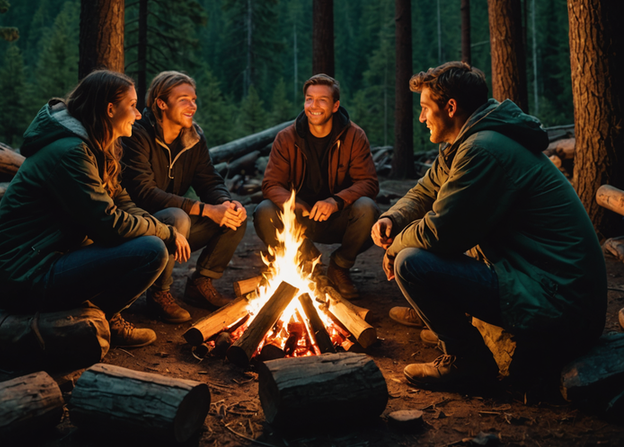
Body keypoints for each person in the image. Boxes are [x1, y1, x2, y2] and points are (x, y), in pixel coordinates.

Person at [372, 61, 607, 391]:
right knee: (417, 253)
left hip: (560, 301)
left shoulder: (483, 149)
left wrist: (396, 245)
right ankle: (453, 324)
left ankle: (467, 362)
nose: (422, 117)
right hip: (539, 282)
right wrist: (392, 218)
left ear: (450, 107)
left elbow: (441, 233)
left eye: (425, 108)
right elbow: (426, 189)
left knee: (411, 263)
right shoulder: (468, 141)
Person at [0, 70, 177, 348]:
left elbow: (121, 200)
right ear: (110, 109)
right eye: (133, 106)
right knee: (151, 250)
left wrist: (161, 225)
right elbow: (110, 225)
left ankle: (95, 314)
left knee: (158, 229)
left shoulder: (94, 145)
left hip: (50, 258)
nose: (138, 115)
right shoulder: (71, 152)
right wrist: (165, 232)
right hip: (25, 276)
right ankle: (103, 319)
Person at [121, 71, 247, 323]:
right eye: (184, 100)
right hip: (136, 228)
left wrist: (224, 202)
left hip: (172, 225)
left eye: (194, 99)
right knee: (177, 217)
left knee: (234, 216)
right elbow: (144, 194)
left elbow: (208, 179)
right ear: (161, 103)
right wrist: (205, 209)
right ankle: (159, 295)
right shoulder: (137, 135)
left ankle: (200, 283)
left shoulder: (193, 138)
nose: (193, 106)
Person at [254, 74, 379, 299]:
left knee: (367, 208)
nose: (314, 106)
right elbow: (271, 184)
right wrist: (295, 205)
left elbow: (369, 183)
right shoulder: (286, 138)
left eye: (322, 100)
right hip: (300, 218)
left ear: (335, 106)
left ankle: (339, 266)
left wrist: (336, 201)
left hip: (339, 217)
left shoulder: (354, 136)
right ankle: (309, 263)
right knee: (264, 211)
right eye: (309, 99)